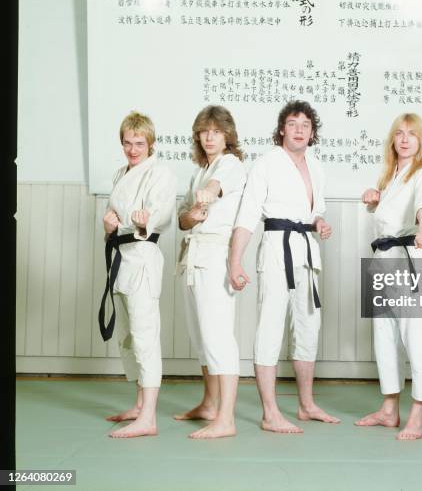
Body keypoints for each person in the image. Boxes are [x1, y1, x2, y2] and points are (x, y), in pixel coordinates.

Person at [228, 100, 339, 433]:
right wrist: (235, 261)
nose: (300, 129)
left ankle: (306, 405)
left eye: (306, 124)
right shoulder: (266, 163)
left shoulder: (316, 166)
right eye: (293, 123)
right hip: (277, 248)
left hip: (307, 250)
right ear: (281, 129)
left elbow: (313, 210)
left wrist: (319, 222)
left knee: (308, 326)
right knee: (270, 327)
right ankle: (270, 412)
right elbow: (248, 214)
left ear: (312, 132)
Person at [355, 113, 422, 440]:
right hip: (383, 260)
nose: (405, 139)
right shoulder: (390, 176)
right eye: (399, 134)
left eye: (412, 134)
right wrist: (374, 198)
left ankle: (417, 415)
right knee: (385, 335)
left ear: (421, 141)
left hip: (409, 259)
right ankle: (389, 409)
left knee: (416, 335)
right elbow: (388, 214)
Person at [101, 111, 177, 438]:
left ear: (151, 143)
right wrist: (108, 226)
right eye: (128, 143)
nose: (133, 149)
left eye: (139, 143)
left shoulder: (160, 173)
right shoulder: (121, 173)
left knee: (146, 335)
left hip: (143, 258)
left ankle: (148, 418)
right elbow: (113, 216)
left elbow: (160, 214)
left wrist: (144, 219)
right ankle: (138, 404)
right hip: (121, 257)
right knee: (129, 337)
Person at [174, 106, 246, 439]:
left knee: (218, 336)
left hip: (216, 255)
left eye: (217, 131)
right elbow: (182, 220)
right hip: (193, 253)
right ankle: (209, 404)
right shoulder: (198, 170)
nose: (210, 137)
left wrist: (208, 194)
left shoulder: (230, 165)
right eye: (204, 131)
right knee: (201, 336)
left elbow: (217, 186)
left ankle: (226, 419)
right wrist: (193, 213)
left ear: (227, 135)